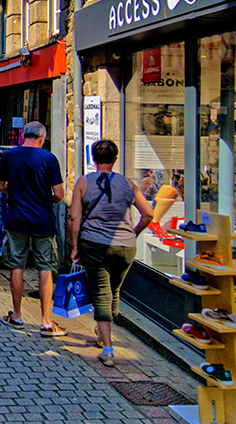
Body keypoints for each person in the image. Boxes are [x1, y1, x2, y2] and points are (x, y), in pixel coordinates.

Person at [69, 139, 154, 367]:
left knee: (101, 293)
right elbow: (148, 214)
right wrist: (133, 233)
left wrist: (75, 247)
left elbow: (75, 217)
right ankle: (103, 331)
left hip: (95, 244)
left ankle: (107, 348)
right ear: (115, 159)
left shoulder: (83, 183)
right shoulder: (128, 183)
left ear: (93, 159)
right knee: (113, 289)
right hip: (125, 246)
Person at [0, 121, 68, 337]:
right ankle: (46, 322)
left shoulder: (9, 155)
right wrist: (46, 198)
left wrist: (15, 189)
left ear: (23, 136)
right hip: (42, 220)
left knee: (16, 265)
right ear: (42, 138)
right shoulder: (49, 158)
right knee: (44, 267)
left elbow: (0, 186)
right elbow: (60, 194)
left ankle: (17, 315)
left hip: (17, 218)